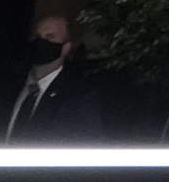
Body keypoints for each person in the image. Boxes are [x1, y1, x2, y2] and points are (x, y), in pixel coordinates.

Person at [6, 14, 103, 144]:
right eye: (37, 36)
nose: (41, 42)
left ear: (66, 47)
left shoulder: (78, 97)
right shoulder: (9, 85)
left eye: (50, 37)